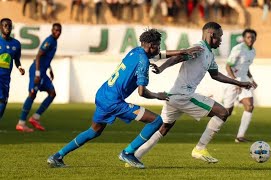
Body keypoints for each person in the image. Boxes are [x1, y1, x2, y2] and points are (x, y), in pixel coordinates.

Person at [46, 28, 203, 169]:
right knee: (156, 121)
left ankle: (57, 156)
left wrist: (183, 51)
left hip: (102, 94)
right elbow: (142, 92)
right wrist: (157, 95)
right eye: (158, 45)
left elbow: (160, 54)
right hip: (114, 102)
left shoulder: (136, 51)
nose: (159, 48)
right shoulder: (143, 62)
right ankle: (128, 152)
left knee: (94, 131)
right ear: (150, 46)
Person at [129, 22, 253, 166]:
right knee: (223, 113)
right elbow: (178, 57)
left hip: (174, 96)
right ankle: (200, 148)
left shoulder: (209, 54)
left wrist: (239, 83)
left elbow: (216, 75)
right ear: (211, 35)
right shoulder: (199, 48)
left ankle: (136, 156)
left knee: (164, 128)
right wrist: (162, 68)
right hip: (184, 95)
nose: (220, 41)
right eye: (219, 37)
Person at [16, 23, 62, 132]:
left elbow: (46, 57)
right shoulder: (49, 41)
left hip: (43, 71)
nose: (57, 32)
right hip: (37, 70)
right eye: (56, 30)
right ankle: (21, 123)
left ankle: (35, 117)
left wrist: (50, 69)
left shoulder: (54, 42)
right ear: (52, 30)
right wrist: (37, 73)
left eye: (59, 31)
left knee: (52, 93)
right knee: (32, 94)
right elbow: (38, 56)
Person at [223, 28, 258, 143]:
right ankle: (210, 128)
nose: (250, 39)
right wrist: (235, 82)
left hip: (244, 81)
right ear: (243, 38)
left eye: (252, 37)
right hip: (233, 80)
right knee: (226, 112)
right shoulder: (238, 49)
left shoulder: (253, 51)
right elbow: (228, 66)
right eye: (248, 37)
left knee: (249, 106)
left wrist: (252, 79)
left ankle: (240, 136)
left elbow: (246, 68)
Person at [0, 18, 25, 122]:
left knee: (4, 102)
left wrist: (19, 67)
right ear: (0, 27)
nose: (7, 28)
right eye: (5, 25)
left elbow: (17, 60)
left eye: (9, 26)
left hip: (6, 78)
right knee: (1, 99)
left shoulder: (16, 44)